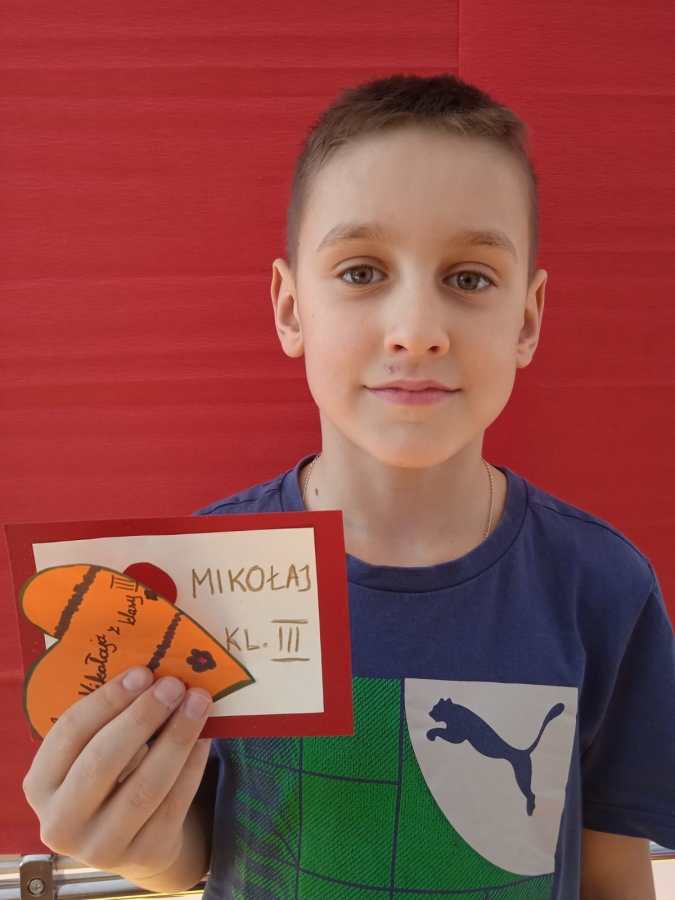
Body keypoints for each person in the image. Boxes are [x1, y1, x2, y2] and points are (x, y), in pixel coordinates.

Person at [22, 73, 675, 900]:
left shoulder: (602, 588)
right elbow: (198, 848)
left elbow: (614, 874)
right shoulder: (204, 580)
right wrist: (134, 844)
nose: (416, 332)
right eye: (362, 272)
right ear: (290, 308)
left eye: (469, 278)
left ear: (527, 318)